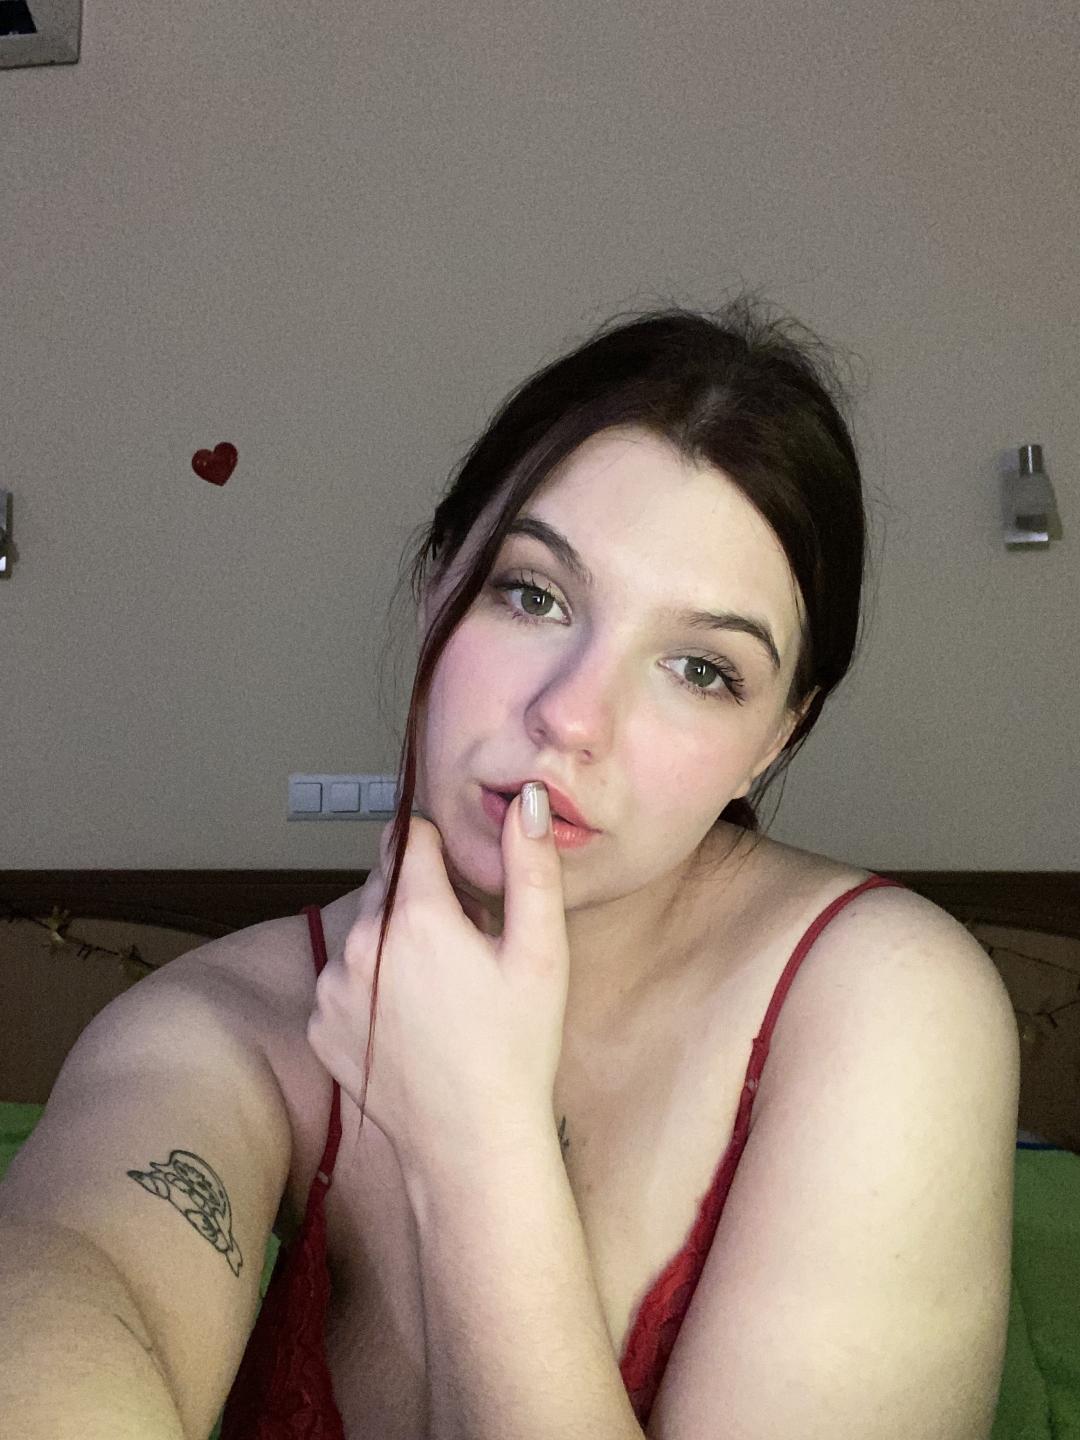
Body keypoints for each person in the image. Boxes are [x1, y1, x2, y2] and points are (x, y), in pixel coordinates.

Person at [0, 297, 1019, 1440]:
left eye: (701, 669)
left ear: (777, 738)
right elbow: (75, 1281)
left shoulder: (883, 1005)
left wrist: (477, 1146)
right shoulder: (224, 1024)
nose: (572, 717)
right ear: (438, 585)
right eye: (533, 595)